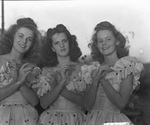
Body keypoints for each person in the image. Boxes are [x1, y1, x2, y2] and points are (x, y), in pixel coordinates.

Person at [82, 21, 144, 125]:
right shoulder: (92, 70)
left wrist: (103, 80)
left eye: (108, 39)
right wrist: (96, 79)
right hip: (91, 121)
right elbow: (87, 106)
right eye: (100, 41)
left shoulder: (125, 67)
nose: (104, 43)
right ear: (97, 45)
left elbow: (121, 104)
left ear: (117, 41)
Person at [33, 24, 86, 125]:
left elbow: (85, 103)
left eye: (64, 41)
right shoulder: (46, 71)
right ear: (52, 48)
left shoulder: (83, 69)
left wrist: (57, 86)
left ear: (69, 42)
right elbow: (44, 104)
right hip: (51, 120)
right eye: (57, 43)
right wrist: (60, 85)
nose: (62, 45)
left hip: (77, 120)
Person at [0, 17, 41, 125]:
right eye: (21, 36)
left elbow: (35, 101)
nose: (24, 41)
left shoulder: (33, 67)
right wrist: (17, 81)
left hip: (26, 118)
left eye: (29, 39)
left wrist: (20, 82)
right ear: (13, 36)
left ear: (33, 44)